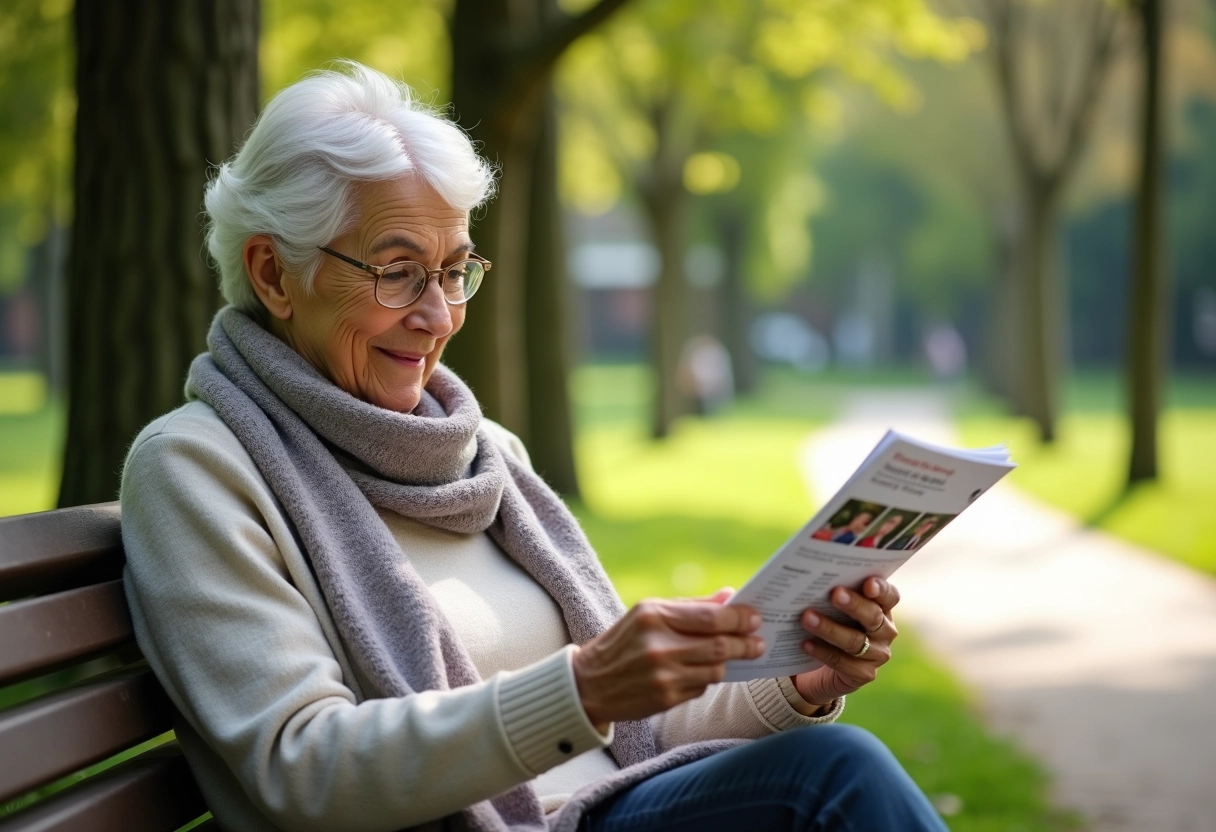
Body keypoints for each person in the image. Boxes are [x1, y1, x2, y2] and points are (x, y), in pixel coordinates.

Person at [119, 63, 947, 832]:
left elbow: (626, 733)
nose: (438, 316)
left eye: (453, 272)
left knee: (827, 759)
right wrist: (581, 687)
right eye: (398, 272)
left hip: (593, 810)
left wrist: (792, 683)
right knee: (832, 779)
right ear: (272, 273)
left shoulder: (486, 454)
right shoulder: (198, 469)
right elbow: (302, 767)